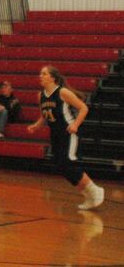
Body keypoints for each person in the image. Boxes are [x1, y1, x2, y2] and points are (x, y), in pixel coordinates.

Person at [28, 65, 104, 210]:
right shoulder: (41, 95)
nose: (40, 76)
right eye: (40, 74)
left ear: (53, 77)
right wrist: (36, 126)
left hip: (68, 132)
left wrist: (76, 124)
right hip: (55, 134)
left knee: (67, 162)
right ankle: (88, 194)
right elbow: (44, 116)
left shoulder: (62, 92)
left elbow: (83, 108)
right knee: (61, 166)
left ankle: (95, 190)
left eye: (44, 74)